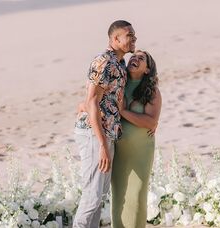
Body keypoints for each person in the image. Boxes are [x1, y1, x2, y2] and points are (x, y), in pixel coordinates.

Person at [73, 20, 137, 228]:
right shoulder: (104, 62)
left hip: (106, 132)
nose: (134, 39)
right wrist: (101, 145)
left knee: (98, 195)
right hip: (94, 133)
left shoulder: (119, 63)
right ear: (115, 39)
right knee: (92, 196)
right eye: (130, 36)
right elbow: (92, 100)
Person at [111, 50, 162, 228]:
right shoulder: (118, 84)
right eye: (134, 56)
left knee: (137, 194)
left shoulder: (152, 92)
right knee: (119, 195)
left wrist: (123, 112)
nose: (135, 58)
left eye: (142, 58)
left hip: (141, 150)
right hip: (117, 149)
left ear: (147, 70)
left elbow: (150, 122)